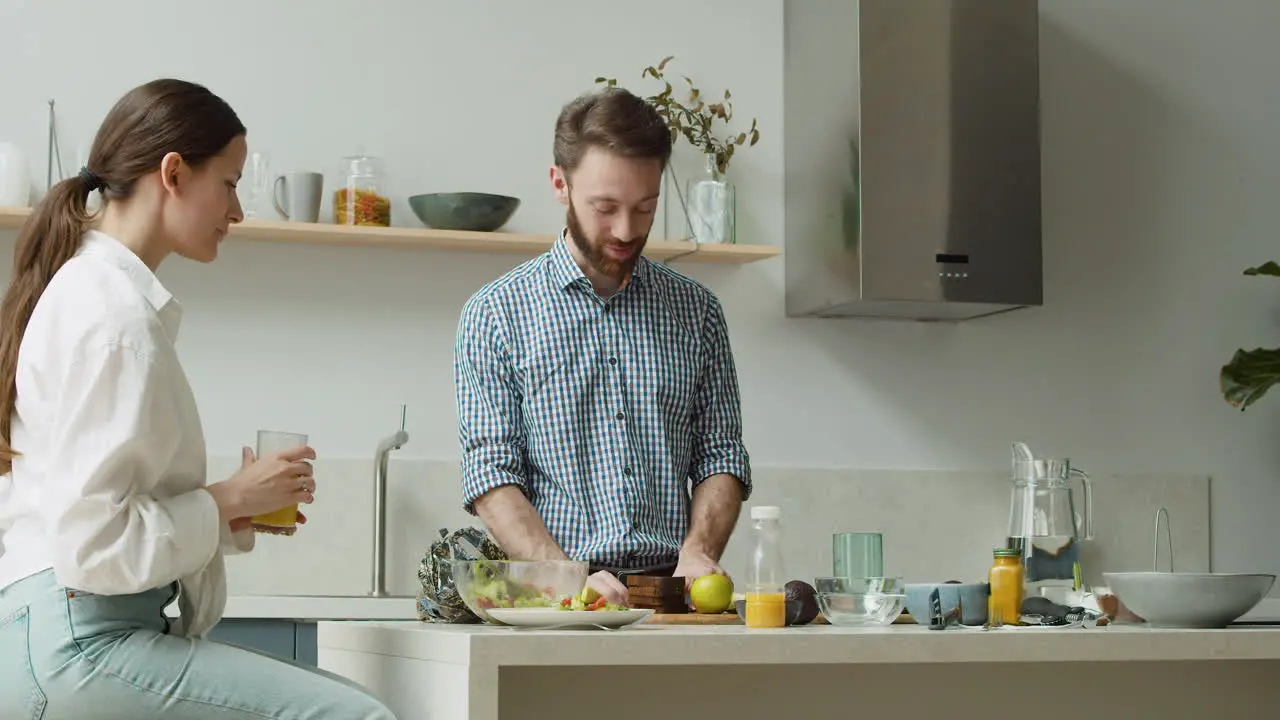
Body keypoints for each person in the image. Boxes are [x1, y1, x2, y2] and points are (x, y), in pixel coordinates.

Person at [0, 79, 396, 719]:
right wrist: (226, 499)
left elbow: (99, 515)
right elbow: (94, 547)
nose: (237, 211)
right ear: (174, 173)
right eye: (231, 183)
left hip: (52, 631)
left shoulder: (99, 298)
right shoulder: (111, 317)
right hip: (77, 640)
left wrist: (230, 515)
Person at [453, 86, 752, 606]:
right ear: (559, 184)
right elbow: (492, 473)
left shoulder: (698, 313)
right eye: (605, 207)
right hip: (556, 596)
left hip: (673, 592)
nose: (625, 229)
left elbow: (720, 453)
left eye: (645, 207)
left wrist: (699, 550)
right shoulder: (496, 314)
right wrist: (565, 577)